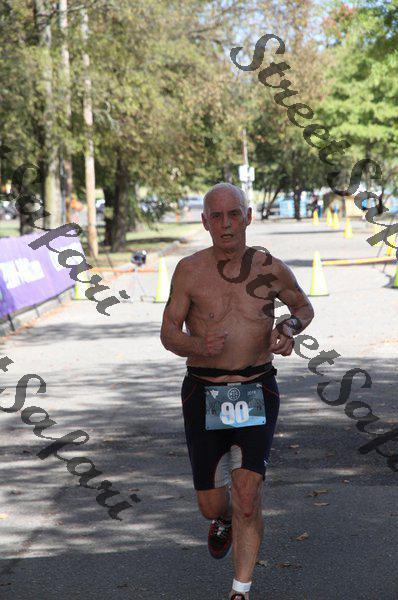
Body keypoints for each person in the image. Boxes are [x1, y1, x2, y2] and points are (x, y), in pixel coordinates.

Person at [160, 183, 314, 600]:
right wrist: (197, 344)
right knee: (212, 505)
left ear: (248, 217)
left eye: (234, 214)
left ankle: (240, 590)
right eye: (217, 216)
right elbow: (168, 333)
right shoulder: (189, 270)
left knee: (248, 495)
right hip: (203, 392)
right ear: (205, 222)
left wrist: (288, 328)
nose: (226, 224)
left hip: (256, 387)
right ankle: (223, 518)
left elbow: (303, 307)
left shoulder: (271, 268)